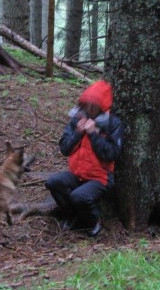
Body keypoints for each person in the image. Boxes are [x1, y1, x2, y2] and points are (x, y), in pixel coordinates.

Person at [45, 80, 124, 237]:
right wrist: (78, 133)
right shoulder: (77, 119)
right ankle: (72, 215)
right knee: (53, 183)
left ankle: (93, 222)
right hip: (77, 173)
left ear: (101, 105)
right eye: (86, 104)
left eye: (93, 105)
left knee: (79, 196)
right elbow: (64, 149)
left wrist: (93, 133)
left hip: (100, 177)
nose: (89, 108)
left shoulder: (113, 123)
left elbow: (112, 154)